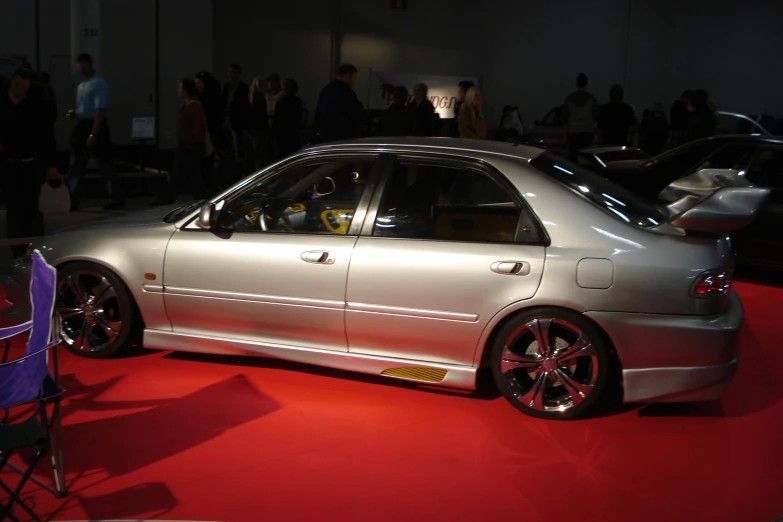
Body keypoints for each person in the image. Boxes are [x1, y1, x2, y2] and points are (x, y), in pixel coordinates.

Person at [0, 68, 58, 258]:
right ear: (11, 82)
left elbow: (47, 135)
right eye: (17, 85)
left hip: (31, 162)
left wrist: (51, 165)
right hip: (9, 162)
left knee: (33, 207)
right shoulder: (3, 101)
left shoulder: (36, 103)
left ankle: (35, 246)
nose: (19, 90)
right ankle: (17, 249)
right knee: (14, 207)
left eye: (24, 87)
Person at [66, 53, 125, 211]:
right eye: (79, 64)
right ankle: (72, 200)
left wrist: (94, 133)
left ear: (89, 64)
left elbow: (100, 110)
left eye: (83, 64)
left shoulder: (99, 84)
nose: (80, 67)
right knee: (77, 164)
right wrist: (76, 114)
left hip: (95, 125)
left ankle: (116, 198)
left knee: (104, 163)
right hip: (83, 123)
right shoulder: (81, 86)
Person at [151, 80, 207, 205]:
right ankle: (198, 197)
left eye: (180, 88)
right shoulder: (189, 106)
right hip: (187, 145)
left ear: (186, 91)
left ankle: (170, 197)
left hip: (190, 146)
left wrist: (191, 141)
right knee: (187, 173)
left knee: (187, 173)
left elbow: (197, 127)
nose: (178, 90)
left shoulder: (194, 106)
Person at [312, 64, 365, 144]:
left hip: (323, 137)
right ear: (347, 76)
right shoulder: (346, 92)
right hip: (341, 138)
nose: (354, 82)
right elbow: (354, 115)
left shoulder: (326, 90)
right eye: (354, 78)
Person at [195, 70, 222, 194]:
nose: (198, 86)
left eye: (200, 83)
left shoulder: (212, 98)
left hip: (212, 133)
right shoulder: (199, 98)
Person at [562, 73, 600, 159]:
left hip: (573, 133)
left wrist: (565, 137)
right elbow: (596, 118)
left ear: (576, 83)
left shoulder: (569, 98)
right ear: (586, 83)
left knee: (573, 158)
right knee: (585, 158)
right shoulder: (591, 99)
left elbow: (565, 120)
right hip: (586, 133)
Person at [243, 77, 272, 174]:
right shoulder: (260, 98)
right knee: (260, 158)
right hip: (259, 132)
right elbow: (262, 118)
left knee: (250, 158)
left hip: (249, 131)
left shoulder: (249, 97)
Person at [222, 63, 249, 162]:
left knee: (238, 144)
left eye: (232, 72)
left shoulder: (244, 88)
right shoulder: (226, 86)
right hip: (226, 119)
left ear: (238, 73)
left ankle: (240, 164)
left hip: (237, 120)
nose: (229, 75)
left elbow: (244, 106)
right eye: (228, 72)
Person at [273, 78, 304, 158]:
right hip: (293, 132)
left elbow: (277, 117)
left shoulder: (281, 100)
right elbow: (299, 118)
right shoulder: (297, 100)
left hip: (282, 132)